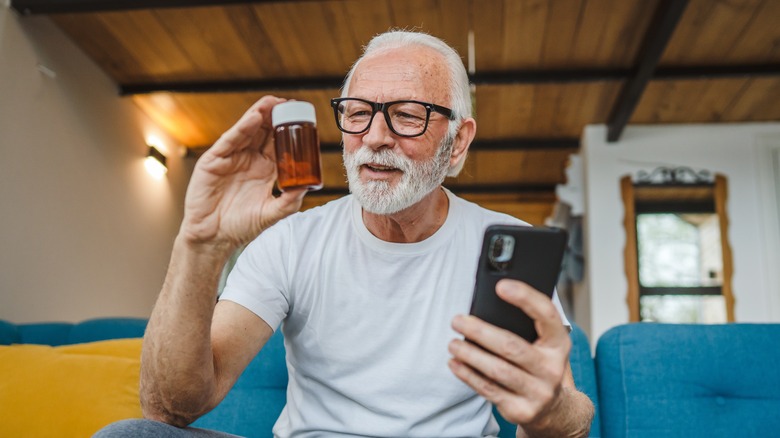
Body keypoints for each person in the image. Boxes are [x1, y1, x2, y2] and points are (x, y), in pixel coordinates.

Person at [97, 30, 594, 438]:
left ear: (458, 142)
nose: (375, 137)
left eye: (406, 115)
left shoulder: (506, 243)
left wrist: (548, 411)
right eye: (358, 113)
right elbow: (171, 408)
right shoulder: (292, 240)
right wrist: (200, 244)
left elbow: (571, 418)